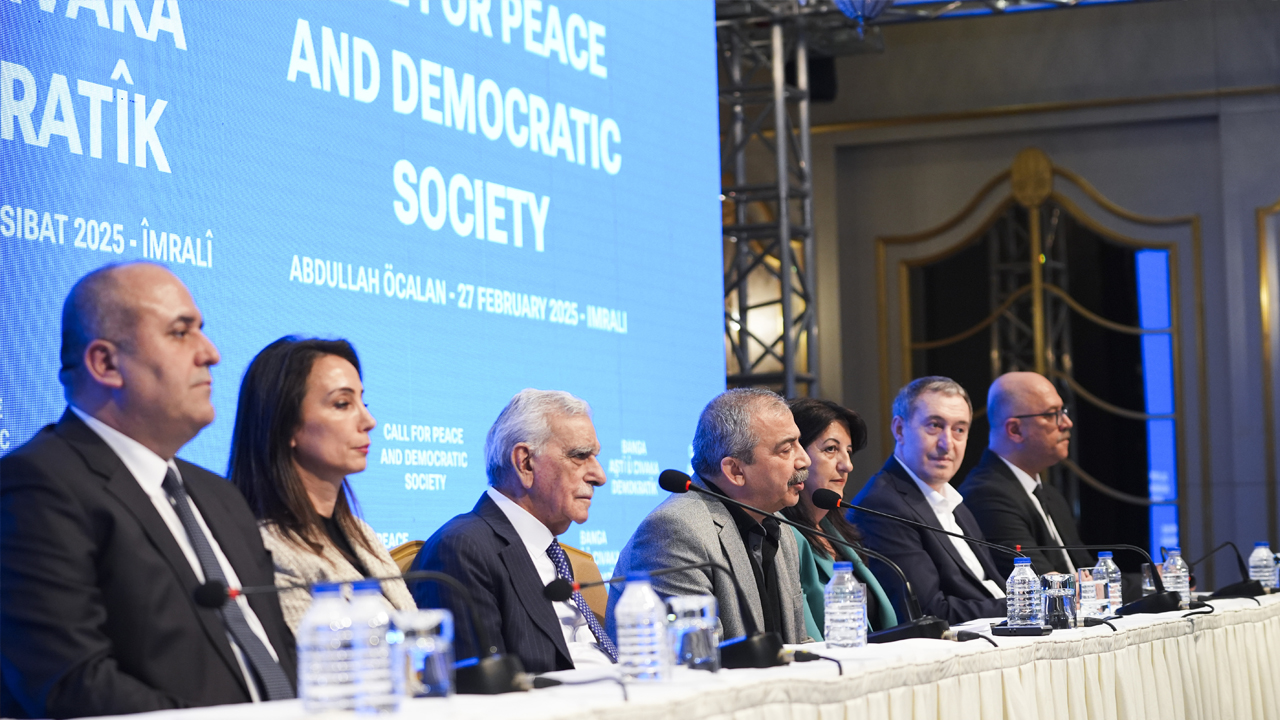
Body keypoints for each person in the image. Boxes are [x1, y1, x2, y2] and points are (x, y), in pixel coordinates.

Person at [0, 263, 296, 718]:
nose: (211, 353)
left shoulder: (220, 497)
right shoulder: (38, 485)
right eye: (181, 333)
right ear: (106, 363)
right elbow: (74, 687)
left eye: (202, 330)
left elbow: (281, 657)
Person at [409, 389, 614, 673]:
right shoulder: (461, 549)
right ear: (525, 463)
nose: (600, 476)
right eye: (580, 456)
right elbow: (481, 691)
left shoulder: (549, 552)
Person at [228, 337, 416, 633]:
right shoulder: (270, 552)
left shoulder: (361, 533)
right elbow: (313, 672)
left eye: (362, 402)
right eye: (343, 404)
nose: (369, 421)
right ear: (285, 425)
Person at [607, 388, 811, 645]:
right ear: (735, 470)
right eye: (786, 449)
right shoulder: (675, 530)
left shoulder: (778, 526)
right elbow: (695, 656)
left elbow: (795, 642)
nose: (804, 460)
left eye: (798, 443)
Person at [849, 376, 1007, 624]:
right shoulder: (881, 506)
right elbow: (929, 613)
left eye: (959, 430)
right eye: (934, 425)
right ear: (899, 429)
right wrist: (1023, 606)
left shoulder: (955, 503)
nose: (947, 444)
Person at [781, 398, 898, 640]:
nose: (847, 465)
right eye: (831, 449)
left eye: (849, 452)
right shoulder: (783, 536)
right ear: (796, 456)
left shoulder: (838, 533)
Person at [959, 372, 1092, 579]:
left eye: (1063, 411)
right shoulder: (986, 495)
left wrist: (1153, 578)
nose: (1066, 423)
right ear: (1015, 430)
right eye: (1051, 414)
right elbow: (1044, 584)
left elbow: (1088, 572)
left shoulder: (1049, 494)